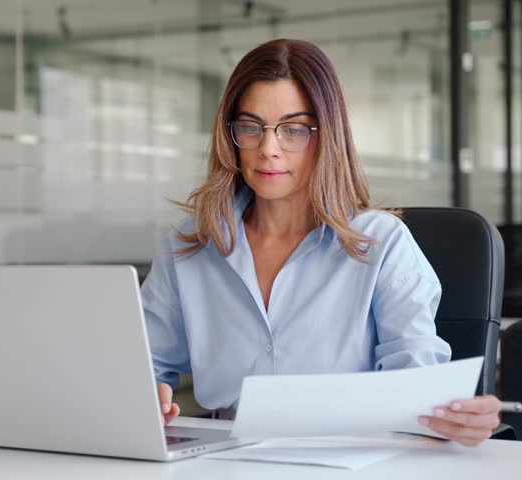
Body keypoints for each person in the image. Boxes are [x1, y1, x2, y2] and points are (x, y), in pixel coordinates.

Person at [140, 39, 501, 447]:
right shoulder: (192, 245)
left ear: (327, 134)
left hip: (350, 454)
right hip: (223, 456)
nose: (268, 149)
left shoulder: (381, 244)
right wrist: (145, 397)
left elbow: (417, 387)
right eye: (250, 127)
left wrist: (454, 415)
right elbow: (142, 366)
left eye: (293, 130)